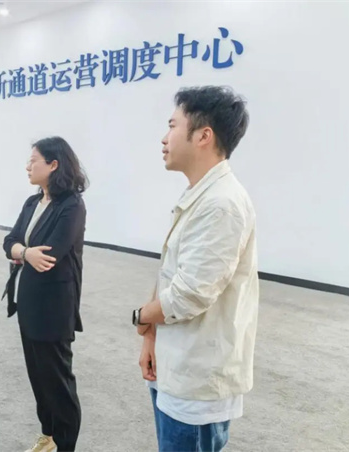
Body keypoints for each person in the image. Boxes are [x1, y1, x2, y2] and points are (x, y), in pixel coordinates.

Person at [133, 86, 259, 452]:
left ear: (204, 136)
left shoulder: (221, 204)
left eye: (172, 125)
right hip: (176, 361)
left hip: (197, 380)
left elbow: (188, 295)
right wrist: (151, 337)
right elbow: (171, 273)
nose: (164, 137)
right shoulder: (200, 194)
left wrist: (140, 316)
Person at [2, 137, 88, 452]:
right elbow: (9, 241)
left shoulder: (72, 205)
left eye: (33, 160)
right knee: (38, 377)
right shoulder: (32, 202)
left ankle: (66, 446)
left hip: (54, 306)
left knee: (58, 382)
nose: (28, 166)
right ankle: (48, 436)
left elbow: (50, 254)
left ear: (53, 164)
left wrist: (21, 252)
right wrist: (24, 251)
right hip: (28, 301)